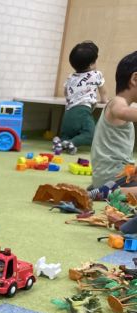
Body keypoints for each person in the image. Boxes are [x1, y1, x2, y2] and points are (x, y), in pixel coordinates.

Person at [86, 51, 137, 211]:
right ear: (135, 79)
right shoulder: (117, 102)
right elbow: (122, 112)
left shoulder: (123, 103)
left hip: (114, 174)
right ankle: (112, 192)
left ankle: (103, 189)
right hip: (113, 175)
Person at [53, 41, 108, 155]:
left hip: (68, 112)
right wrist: (104, 101)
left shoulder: (71, 76)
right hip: (83, 111)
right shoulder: (96, 74)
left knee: (67, 133)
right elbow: (103, 92)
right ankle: (71, 143)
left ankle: (60, 142)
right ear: (91, 64)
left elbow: (66, 92)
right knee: (90, 135)